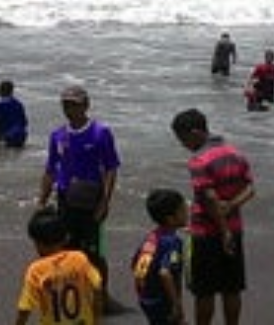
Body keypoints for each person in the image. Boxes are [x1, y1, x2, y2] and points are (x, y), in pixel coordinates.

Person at [37, 85, 122, 312]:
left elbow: (111, 168)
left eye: (74, 104)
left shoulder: (100, 132)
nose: (69, 109)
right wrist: (41, 201)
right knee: (67, 250)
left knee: (94, 253)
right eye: (65, 105)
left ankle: (102, 295)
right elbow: (50, 169)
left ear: (86, 105)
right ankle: (75, 294)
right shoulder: (58, 135)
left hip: (90, 200)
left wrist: (105, 202)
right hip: (66, 199)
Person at [170, 108, 254, 325]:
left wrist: (223, 229)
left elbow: (209, 198)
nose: (183, 145)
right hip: (235, 229)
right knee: (231, 288)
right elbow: (250, 189)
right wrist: (232, 206)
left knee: (204, 292)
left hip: (206, 233)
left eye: (183, 139)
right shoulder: (236, 154)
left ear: (196, 132)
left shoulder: (199, 161)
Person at [14, 207, 102, 325]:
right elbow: (97, 286)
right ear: (66, 238)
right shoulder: (79, 258)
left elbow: (24, 308)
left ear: (38, 243)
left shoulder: (36, 270)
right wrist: (96, 318)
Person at [131, 189, 188, 325]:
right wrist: (176, 304)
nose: (187, 214)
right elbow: (165, 273)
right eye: (183, 211)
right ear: (170, 218)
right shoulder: (173, 242)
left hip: (146, 298)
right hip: (162, 301)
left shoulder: (152, 238)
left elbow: (135, 263)